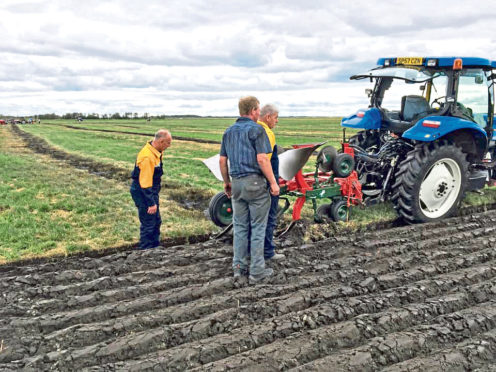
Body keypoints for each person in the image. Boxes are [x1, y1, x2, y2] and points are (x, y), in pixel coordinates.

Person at [219, 96, 280, 283]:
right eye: (258, 110)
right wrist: (273, 182)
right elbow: (262, 159)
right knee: (258, 228)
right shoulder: (257, 130)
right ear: (254, 111)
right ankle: (256, 273)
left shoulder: (228, 132)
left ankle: (238, 268)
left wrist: (227, 182)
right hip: (255, 185)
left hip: (236, 184)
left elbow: (222, 161)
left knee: (240, 227)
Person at [130, 129, 172, 250]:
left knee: (156, 221)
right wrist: (151, 203)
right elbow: (145, 183)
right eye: (168, 143)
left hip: (150, 191)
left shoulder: (155, 151)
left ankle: (155, 248)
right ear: (161, 141)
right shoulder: (147, 157)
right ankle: (145, 251)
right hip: (143, 192)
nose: (169, 146)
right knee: (149, 223)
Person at [257, 104, 285, 261]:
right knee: (269, 217)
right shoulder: (266, 133)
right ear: (267, 117)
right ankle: (268, 252)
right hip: (266, 182)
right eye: (275, 118)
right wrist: (273, 183)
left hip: (251, 182)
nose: (277, 121)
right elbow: (264, 161)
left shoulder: (251, 129)